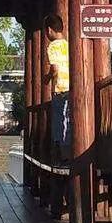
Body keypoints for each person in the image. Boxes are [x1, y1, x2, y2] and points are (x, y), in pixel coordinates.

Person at [45, 15, 71, 155]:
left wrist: (47, 78)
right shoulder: (68, 45)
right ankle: (69, 150)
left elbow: (54, 68)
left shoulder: (53, 46)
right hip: (72, 87)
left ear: (49, 30)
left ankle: (62, 153)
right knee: (68, 119)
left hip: (60, 88)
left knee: (59, 121)